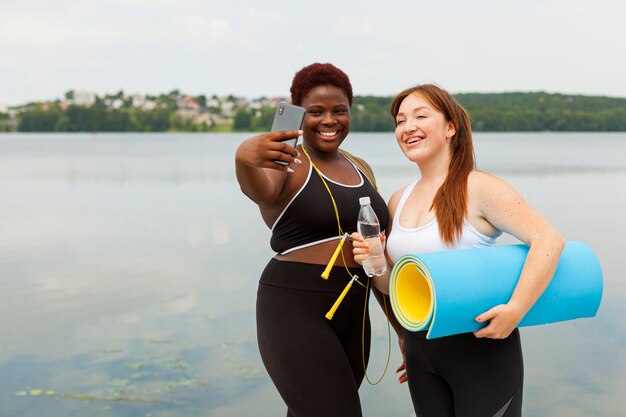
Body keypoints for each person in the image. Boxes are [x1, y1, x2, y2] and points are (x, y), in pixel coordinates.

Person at [351, 83, 565, 417]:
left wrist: (516, 309)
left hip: (482, 349)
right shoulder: (398, 199)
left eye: (421, 116)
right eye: (400, 120)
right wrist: (375, 261)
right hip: (420, 351)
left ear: (451, 127)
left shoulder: (478, 187)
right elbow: (393, 288)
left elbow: (549, 239)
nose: (407, 127)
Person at [235, 63, 396, 417]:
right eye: (316, 111)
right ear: (298, 115)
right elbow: (259, 190)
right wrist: (244, 160)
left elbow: (375, 254)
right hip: (295, 309)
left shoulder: (361, 166)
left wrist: (401, 329)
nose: (329, 120)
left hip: (355, 311)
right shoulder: (286, 160)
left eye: (339, 111)